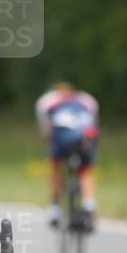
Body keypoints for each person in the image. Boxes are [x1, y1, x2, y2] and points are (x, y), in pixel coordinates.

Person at [35, 82, 99, 230]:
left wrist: (50, 140)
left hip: (62, 138)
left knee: (55, 165)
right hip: (84, 138)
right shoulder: (87, 99)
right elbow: (93, 120)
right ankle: (88, 205)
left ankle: (55, 208)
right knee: (85, 169)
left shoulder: (47, 99)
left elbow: (46, 127)